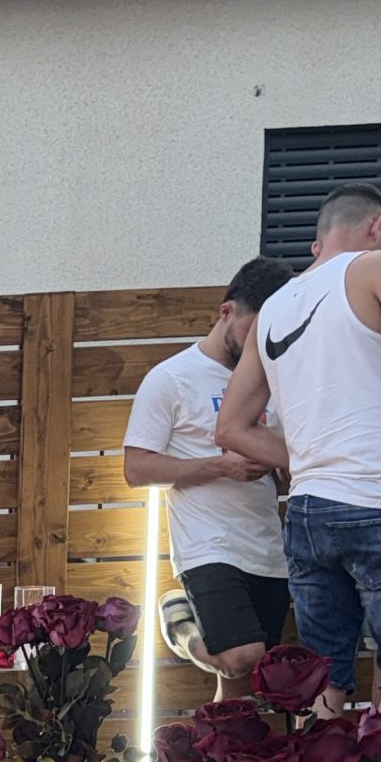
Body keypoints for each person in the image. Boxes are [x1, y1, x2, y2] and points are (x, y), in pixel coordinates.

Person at [217, 182, 381, 732]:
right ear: (376, 226)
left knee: (323, 680)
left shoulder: (273, 308)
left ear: (321, 236)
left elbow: (232, 427)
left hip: (310, 511)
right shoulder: (378, 267)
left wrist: (310, 455)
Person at [124, 257, 293, 696]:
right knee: (241, 656)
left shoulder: (275, 379)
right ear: (227, 312)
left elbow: (281, 472)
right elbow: (136, 468)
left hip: (266, 548)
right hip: (207, 547)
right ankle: (180, 624)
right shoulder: (171, 378)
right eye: (255, 329)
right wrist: (221, 466)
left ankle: (220, 747)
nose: (262, 341)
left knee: (243, 684)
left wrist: (280, 470)